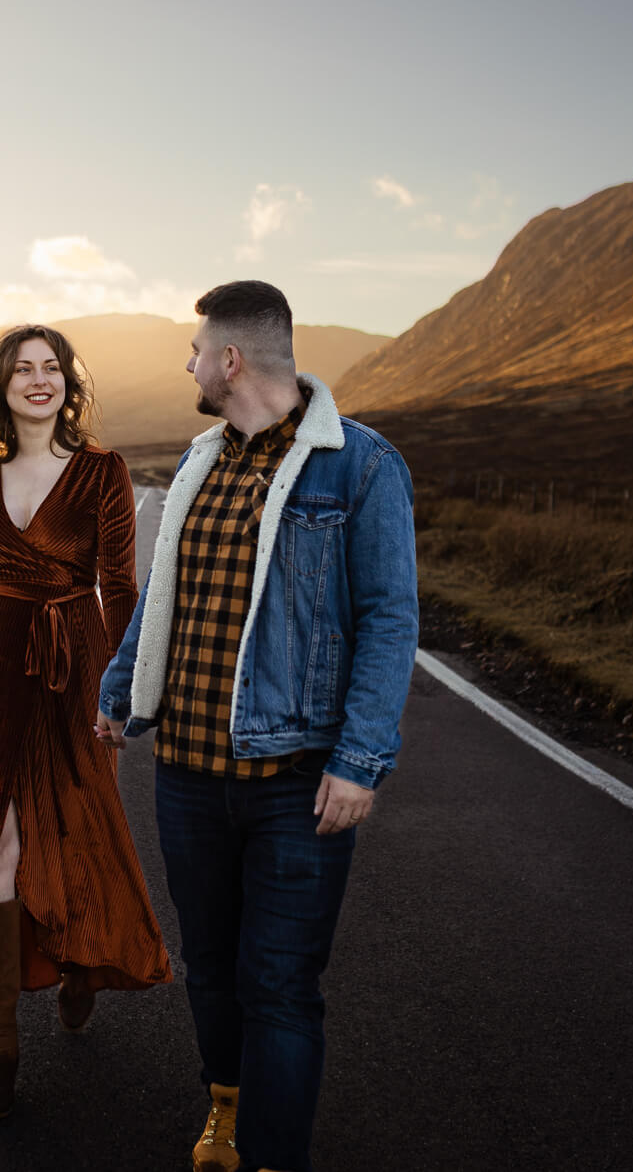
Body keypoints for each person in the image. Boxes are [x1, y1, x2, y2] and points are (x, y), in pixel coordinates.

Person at [95, 281, 418, 1172]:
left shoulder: (361, 465)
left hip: (295, 780)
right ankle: (227, 1113)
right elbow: (164, 595)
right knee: (212, 965)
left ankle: (276, 1157)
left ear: (231, 359)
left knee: (279, 982)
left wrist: (360, 761)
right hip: (189, 774)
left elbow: (391, 618)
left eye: (197, 351)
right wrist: (119, 690)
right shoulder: (203, 460)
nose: (189, 364)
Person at [0, 322, 172, 1119]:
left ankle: (79, 961)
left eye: (52, 368)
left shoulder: (102, 472)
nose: (40, 380)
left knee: (71, 827)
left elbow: (125, 590)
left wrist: (126, 692)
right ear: (0, 386)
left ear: (69, 383)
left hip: (75, 663)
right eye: (23, 370)